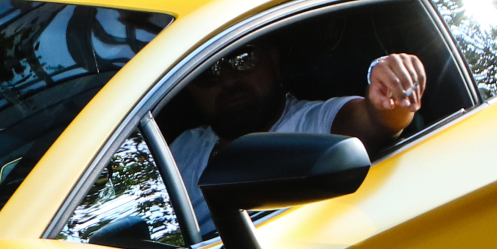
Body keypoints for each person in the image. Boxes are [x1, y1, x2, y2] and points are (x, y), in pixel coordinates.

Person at [168, 45, 428, 190]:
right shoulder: (181, 150)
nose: (228, 79)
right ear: (190, 88)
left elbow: (376, 121)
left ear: (273, 59)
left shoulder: (316, 121)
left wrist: (392, 91)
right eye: (208, 72)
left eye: (242, 58)